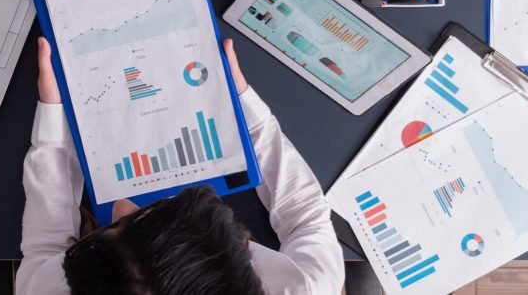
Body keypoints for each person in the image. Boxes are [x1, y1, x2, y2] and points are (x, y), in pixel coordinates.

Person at [21, 37, 346, 294]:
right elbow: (305, 217)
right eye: (143, 214)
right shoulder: (307, 287)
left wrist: (53, 124)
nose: (121, 205)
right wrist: (242, 105)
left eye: (112, 228)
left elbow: (45, 249)